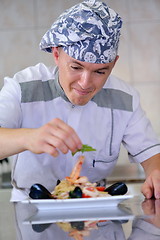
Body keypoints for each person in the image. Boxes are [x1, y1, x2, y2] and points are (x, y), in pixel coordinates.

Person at [0, 0, 160, 201]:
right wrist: (26, 138)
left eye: (100, 71)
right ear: (57, 54)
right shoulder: (22, 88)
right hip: (32, 213)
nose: (85, 83)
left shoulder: (125, 98)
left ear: (113, 64)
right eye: (76, 68)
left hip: (95, 212)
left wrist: (156, 172)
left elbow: (151, 155)